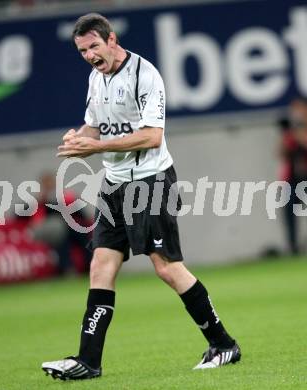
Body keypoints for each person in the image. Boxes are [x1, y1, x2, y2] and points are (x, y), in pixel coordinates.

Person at [42, 13, 241, 381]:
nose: (88, 55)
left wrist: (96, 146)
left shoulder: (144, 75)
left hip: (150, 183)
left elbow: (151, 136)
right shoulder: (95, 77)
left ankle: (223, 343)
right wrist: (78, 138)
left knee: (166, 267)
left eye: (93, 47)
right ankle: (89, 362)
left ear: (111, 39)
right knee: (100, 266)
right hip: (115, 185)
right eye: (82, 50)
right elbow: (95, 123)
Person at [278, 97, 307, 254]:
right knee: (289, 211)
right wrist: (286, 134)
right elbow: (280, 153)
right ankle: (293, 246)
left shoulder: (300, 130)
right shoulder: (290, 131)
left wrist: (298, 132)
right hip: (293, 179)